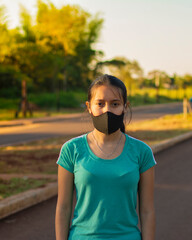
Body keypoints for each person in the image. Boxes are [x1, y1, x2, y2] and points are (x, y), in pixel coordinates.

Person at [55, 74, 156, 240]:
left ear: (125, 106)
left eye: (115, 104)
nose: (107, 110)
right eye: (100, 104)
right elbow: (63, 207)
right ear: (89, 107)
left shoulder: (142, 152)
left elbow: (147, 211)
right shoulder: (71, 150)